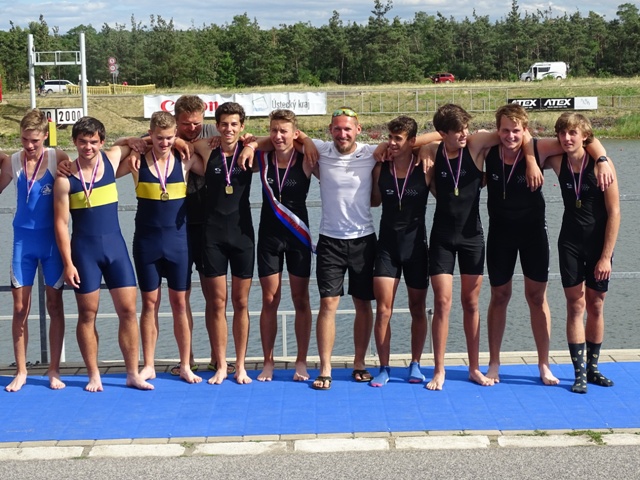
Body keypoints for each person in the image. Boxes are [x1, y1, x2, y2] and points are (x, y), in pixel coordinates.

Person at [483, 104, 612, 385]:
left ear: (525, 130)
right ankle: (494, 363)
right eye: (505, 130)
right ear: (498, 130)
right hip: (500, 236)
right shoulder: (488, 148)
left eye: (516, 130)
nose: (510, 136)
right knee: (499, 296)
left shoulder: (541, 150)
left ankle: (544, 364)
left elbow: (584, 140)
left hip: (533, 235)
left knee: (536, 297)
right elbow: (448, 140)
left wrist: (602, 159)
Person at [417, 103, 542, 391]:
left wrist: (531, 160)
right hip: (442, 237)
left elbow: (517, 134)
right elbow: (410, 143)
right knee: (442, 303)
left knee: (471, 303)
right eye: (458, 131)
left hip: (472, 237)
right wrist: (426, 147)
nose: (465, 134)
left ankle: (474, 367)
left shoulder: (474, 145)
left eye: (466, 128)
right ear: (442, 133)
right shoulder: (433, 152)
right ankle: (439, 369)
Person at [53, 116, 153, 392]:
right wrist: (68, 263)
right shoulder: (65, 179)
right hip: (84, 253)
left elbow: (150, 141)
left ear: (102, 142)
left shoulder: (111, 159)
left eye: (93, 142)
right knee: (87, 314)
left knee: (128, 311)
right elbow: (61, 224)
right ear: (74, 142)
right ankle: (94, 374)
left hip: (115, 250)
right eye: (82, 142)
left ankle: (132, 373)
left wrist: (128, 140)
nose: (88, 147)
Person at [117, 111, 204, 384]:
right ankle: (149, 365)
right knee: (149, 304)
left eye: (169, 138)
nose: (164, 143)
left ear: (175, 135)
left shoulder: (185, 159)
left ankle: (186, 365)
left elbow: (212, 154)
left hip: (179, 243)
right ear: (150, 135)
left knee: (180, 304)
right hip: (147, 243)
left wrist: (182, 142)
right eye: (159, 138)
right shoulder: (136, 162)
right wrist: (130, 141)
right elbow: (107, 161)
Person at [544, 113, 620, 394]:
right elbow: (529, 145)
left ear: (585, 136)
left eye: (573, 133)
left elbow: (614, 213)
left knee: (596, 304)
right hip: (570, 244)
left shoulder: (603, 166)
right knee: (575, 305)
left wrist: (606, 257)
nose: (567, 138)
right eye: (562, 133)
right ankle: (579, 374)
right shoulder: (557, 161)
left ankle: (593, 369)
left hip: (599, 245)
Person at [0, 109, 68, 392]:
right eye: (25, 140)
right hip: (23, 243)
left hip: (52, 243)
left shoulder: (57, 157)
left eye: (35, 141)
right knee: (19, 309)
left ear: (45, 137)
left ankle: (54, 369)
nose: (29, 146)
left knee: (54, 305)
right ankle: (21, 371)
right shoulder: (13, 161)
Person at [369, 116, 439, 387]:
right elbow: (374, 202)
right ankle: (384, 367)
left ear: (412, 141)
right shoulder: (381, 167)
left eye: (398, 139)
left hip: (416, 248)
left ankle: (416, 364)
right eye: (390, 138)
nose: (392, 143)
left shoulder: (425, 167)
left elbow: (443, 137)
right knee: (383, 310)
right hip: (387, 247)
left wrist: (426, 149)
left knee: (417, 308)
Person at [244, 110, 314, 382]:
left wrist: (307, 140)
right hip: (269, 238)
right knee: (269, 300)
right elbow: (239, 146)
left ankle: (301, 361)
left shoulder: (306, 158)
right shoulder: (262, 158)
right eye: (274, 130)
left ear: (295, 133)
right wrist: (251, 143)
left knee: (301, 299)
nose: (278, 136)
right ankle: (268, 362)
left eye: (284, 131)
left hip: (298, 237)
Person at [190, 102, 254, 385]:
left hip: (242, 236)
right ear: (216, 126)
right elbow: (177, 142)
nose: (229, 129)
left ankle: (240, 365)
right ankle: (221, 364)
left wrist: (252, 144)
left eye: (234, 124)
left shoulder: (251, 149)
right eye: (224, 124)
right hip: (212, 236)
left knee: (241, 302)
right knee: (217, 303)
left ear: (242, 126)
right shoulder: (207, 149)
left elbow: (281, 139)